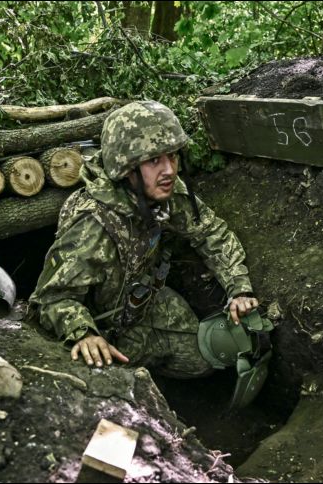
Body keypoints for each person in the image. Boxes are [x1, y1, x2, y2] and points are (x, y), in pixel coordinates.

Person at [27, 100, 259, 379]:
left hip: (141, 305)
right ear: (127, 169)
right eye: (154, 160)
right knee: (103, 382)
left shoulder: (162, 191)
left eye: (172, 156)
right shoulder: (91, 225)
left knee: (203, 361)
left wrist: (239, 289)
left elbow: (210, 232)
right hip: (99, 328)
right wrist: (84, 333)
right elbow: (50, 298)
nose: (169, 170)